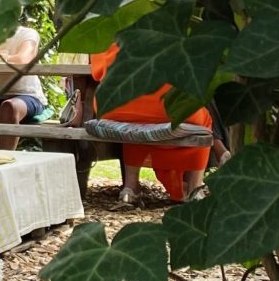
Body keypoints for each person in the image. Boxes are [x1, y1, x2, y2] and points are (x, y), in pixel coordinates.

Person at [83, 44, 212, 205]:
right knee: (204, 120)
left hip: (113, 106)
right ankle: (195, 187)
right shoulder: (175, 38)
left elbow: (97, 73)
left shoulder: (108, 36)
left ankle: (130, 188)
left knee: (132, 121)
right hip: (166, 107)